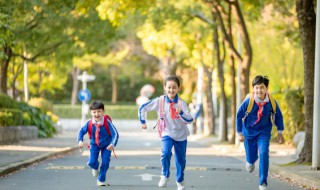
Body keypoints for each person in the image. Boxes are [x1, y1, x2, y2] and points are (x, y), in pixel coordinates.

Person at [138, 76, 193, 190]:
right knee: (165, 153)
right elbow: (143, 108)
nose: (171, 90)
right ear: (164, 87)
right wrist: (143, 122)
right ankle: (165, 174)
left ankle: (180, 180)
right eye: (169, 87)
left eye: (174, 87)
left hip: (181, 135)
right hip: (166, 132)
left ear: (178, 88)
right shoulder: (160, 101)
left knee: (180, 160)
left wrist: (181, 112)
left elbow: (190, 119)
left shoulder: (181, 103)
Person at [236, 75, 285, 190]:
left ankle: (263, 182)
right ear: (253, 88)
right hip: (248, 132)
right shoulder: (249, 101)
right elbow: (239, 115)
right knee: (251, 157)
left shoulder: (271, 102)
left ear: (266, 88)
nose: (259, 90)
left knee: (263, 154)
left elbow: (278, 116)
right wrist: (239, 133)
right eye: (256, 88)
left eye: (262, 87)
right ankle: (250, 161)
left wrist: (280, 132)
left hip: (264, 132)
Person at [78, 100, 119, 186]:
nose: (97, 114)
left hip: (107, 146)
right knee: (91, 162)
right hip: (94, 144)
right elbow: (81, 131)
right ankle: (95, 167)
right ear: (91, 113)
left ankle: (101, 179)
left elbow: (115, 134)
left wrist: (112, 144)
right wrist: (80, 140)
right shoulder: (89, 123)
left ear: (103, 112)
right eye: (94, 112)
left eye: (99, 111)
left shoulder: (107, 122)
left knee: (105, 162)